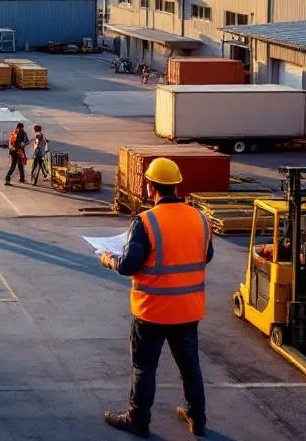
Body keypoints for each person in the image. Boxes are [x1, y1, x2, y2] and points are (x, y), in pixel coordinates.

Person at [100, 157, 214, 438]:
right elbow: (206, 256)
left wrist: (108, 259)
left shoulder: (145, 222)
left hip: (152, 312)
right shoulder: (199, 218)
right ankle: (197, 420)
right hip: (188, 311)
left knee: (144, 368)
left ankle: (139, 421)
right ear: (176, 186)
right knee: (190, 368)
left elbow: (128, 265)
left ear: (150, 187)